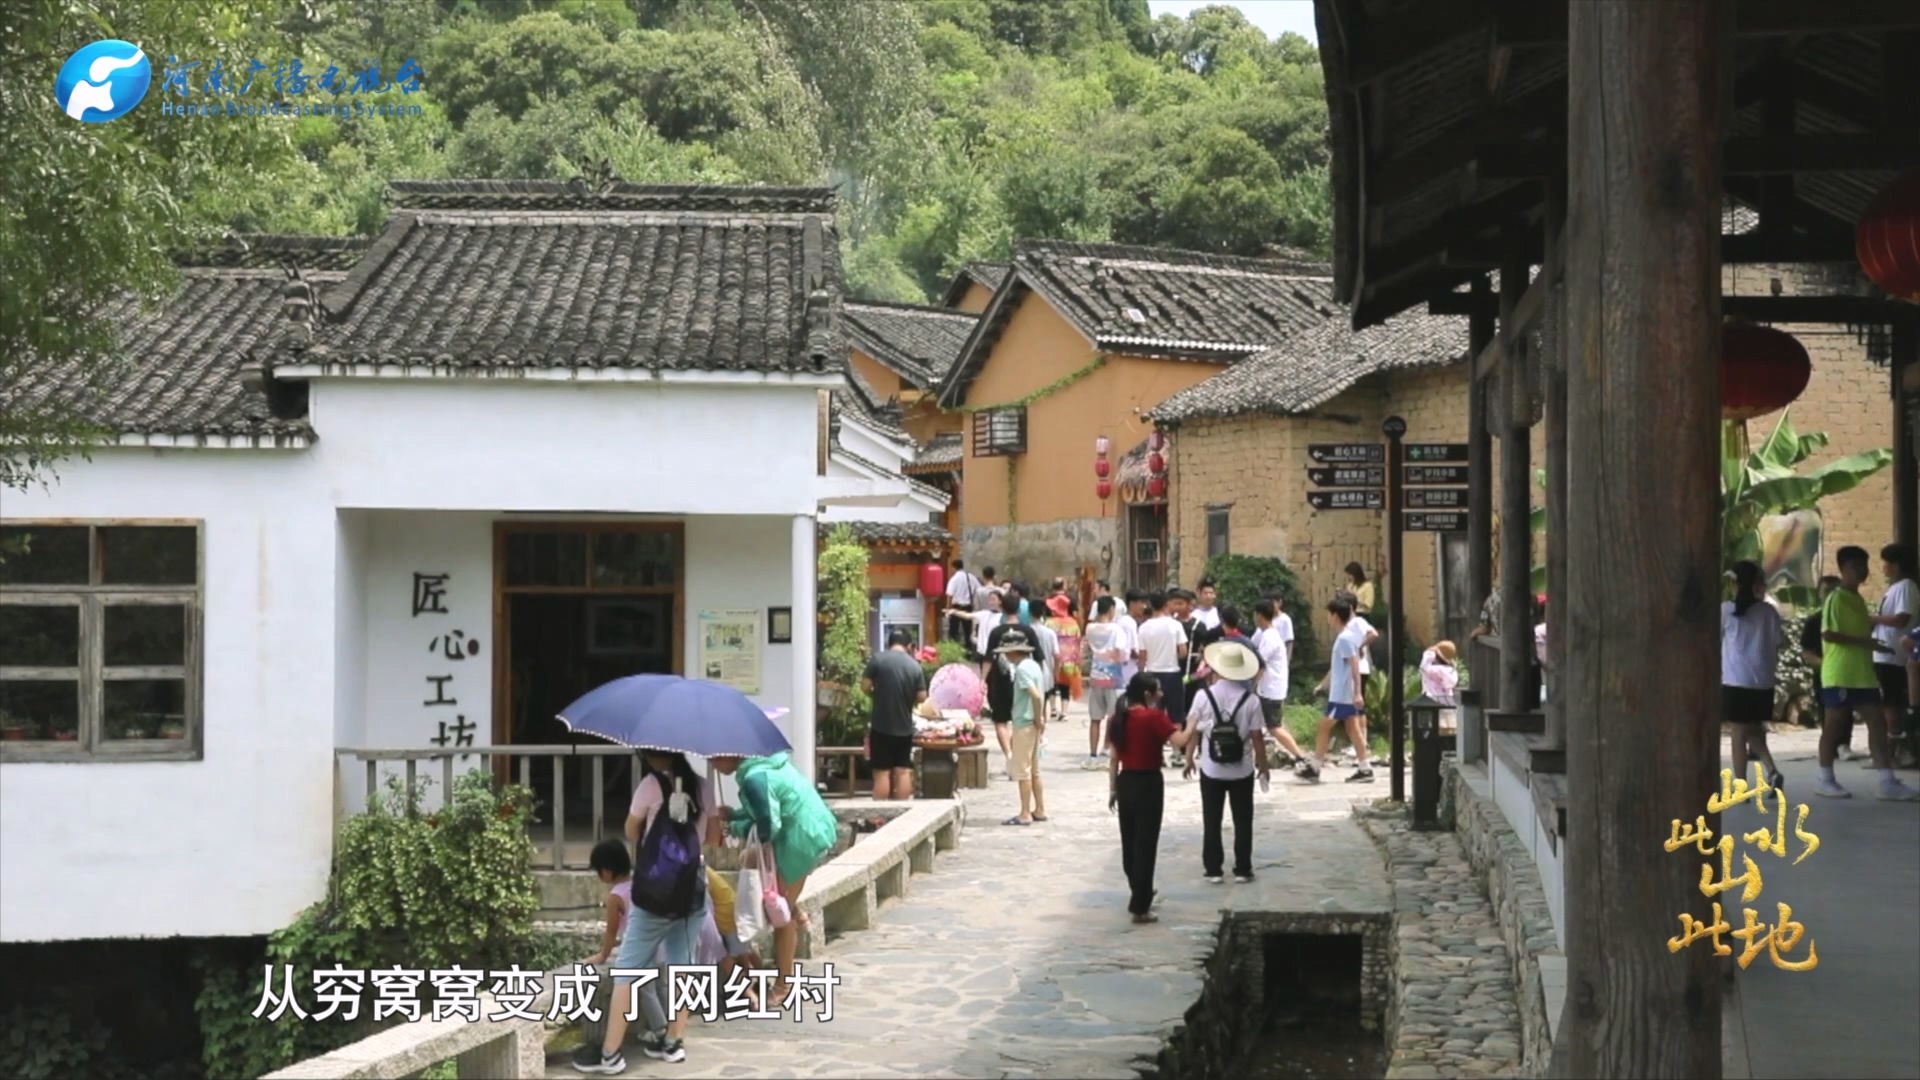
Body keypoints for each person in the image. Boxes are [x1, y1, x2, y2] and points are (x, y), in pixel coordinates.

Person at [573, 752, 719, 1072]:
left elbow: (630, 831)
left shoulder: (650, 786)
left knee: (628, 970)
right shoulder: (704, 786)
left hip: (655, 893)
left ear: (653, 754)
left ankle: (610, 1054)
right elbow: (713, 838)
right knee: (682, 967)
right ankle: (673, 1043)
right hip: (692, 890)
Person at [711, 750, 840, 1009]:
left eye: (714, 758)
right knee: (748, 861)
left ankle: (783, 986)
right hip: (811, 828)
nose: (713, 764)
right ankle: (795, 907)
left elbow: (769, 826)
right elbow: (765, 808)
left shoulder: (754, 779)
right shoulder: (762, 767)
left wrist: (735, 827)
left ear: (729, 755)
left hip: (801, 840)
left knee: (781, 916)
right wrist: (735, 815)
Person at [1816, 546, 1919, 800]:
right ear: (1843, 569)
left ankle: (1887, 781)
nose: (1862, 571)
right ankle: (1825, 779)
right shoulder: (1837, 598)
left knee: (1878, 723)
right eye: (1856, 566)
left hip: (1863, 674)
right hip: (1840, 673)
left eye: (1864, 566)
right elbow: (1829, 634)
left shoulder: (1858, 599)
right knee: (1834, 727)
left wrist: (1872, 645)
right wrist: (1866, 642)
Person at [1107, 673, 1197, 923]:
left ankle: (1139, 888)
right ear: (1147, 694)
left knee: (1129, 841)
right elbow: (1180, 741)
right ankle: (1140, 905)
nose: (1161, 694)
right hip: (1148, 783)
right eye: (1158, 690)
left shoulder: (1118, 718)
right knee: (1146, 844)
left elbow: (1114, 758)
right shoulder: (1154, 718)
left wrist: (1113, 790)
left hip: (1125, 781)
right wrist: (1192, 722)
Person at [1184, 641, 1270, 884]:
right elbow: (1257, 737)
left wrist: (1189, 758)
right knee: (1243, 820)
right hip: (1242, 769)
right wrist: (1263, 765)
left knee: (1211, 819)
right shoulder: (1251, 701)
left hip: (1211, 769)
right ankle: (1243, 868)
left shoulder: (1203, 696)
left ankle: (1213, 869)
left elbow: (1193, 731)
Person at [1722, 561, 1784, 794]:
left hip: (1737, 680)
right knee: (1753, 729)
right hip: (1764, 682)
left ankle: (1740, 786)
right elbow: (1778, 642)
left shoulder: (1726, 610)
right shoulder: (1769, 611)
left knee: (1738, 734)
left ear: (1735, 584)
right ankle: (1772, 771)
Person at [1305, 596, 1372, 784]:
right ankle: (1365, 768)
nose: (1328, 616)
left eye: (1329, 613)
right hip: (1343, 693)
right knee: (1353, 729)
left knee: (1324, 727)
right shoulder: (1346, 637)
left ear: (1335, 616)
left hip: (1342, 695)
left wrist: (1357, 693)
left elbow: (1355, 665)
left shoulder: (1344, 639)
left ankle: (1315, 767)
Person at [862, 630, 926, 800]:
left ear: (889, 643)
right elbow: (922, 696)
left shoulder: (877, 659)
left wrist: (876, 694)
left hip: (881, 726)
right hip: (904, 728)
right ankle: (903, 810)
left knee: (882, 773)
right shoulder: (914, 666)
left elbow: (865, 686)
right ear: (909, 646)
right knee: (903, 771)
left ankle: (879, 813)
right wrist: (908, 699)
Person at [1870, 544, 1918, 768]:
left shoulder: (1906, 587)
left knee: (1891, 704)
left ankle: (1892, 751)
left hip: (1892, 654)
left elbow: (1901, 619)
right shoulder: (1895, 587)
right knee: (1888, 702)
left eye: (1886, 562)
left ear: (1896, 565)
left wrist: (1874, 619)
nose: (1883, 567)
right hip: (1884, 653)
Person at [999, 635, 1050, 826]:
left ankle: (1025, 812)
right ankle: (1040, 809)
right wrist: (1041, 718)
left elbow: (1035, 696)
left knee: (1023, 771)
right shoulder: (1034, 665)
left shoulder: (1021, 669)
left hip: (1025, 722)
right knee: (1034, 770)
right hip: (1033, 723)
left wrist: (1037, 717)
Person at [1252, 599, 1309, 768]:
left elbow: (1260, 664)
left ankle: (1300, 755)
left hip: (1270, 689)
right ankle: (1258, 759)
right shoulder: (1268, 634)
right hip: (1269, 688)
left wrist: (1251, 683)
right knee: (1257, 725)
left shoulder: (1270, 637)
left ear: (1259, 616)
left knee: (1274, 727)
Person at [1800, 576, 1850, 754]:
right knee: (1826, 709)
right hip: (1824, 672)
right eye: (1826, 591)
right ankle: (1830, 746)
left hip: (1846, 669)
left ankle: (1844, 743)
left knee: (1846, 707)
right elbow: (1806, 649)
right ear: (1820, 594)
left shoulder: (1848, 618)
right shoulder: (1814, 621)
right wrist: (1822, 664)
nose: (1829, 595)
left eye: (1833, 591)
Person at [1136, 592, 1190, 730]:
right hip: (1172, 673)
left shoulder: (1143, 627)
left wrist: (1141, 673)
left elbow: (1142, 656)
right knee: (1176, 715)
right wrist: (1173, 657)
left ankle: (1155, 741)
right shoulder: (1175, 625)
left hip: (1152, 674)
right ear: (1166, 604)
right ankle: (1176, 742)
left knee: (1153, 713)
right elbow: (1183, 652)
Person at [1084, 596, 1127, 768]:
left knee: (1095, 718)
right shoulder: (1116, 630)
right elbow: (1122, 654)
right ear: (1111, 609)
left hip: (1096, 676)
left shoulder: (1090, 628)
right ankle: (1112, 754)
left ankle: (1092, 755)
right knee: (1114, 717)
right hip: (1113, 677)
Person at [1040, 595, 1078, 724]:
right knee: (1065, 687)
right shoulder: (1073, 623)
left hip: (1053, 658)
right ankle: (1064, 712)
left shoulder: (1049, 622)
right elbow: (1077, 641)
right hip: (1069, 660)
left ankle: (1053, 709)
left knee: (1051, 684)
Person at [944, 559, 981, 649]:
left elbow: (949, 595)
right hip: (968, 607)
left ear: (954, 568)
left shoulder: (954, 579)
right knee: (968, 630)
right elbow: (979, 589)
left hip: (956, 607)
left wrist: (948, 609)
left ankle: (954, 648)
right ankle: (969, 649)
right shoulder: (971, 577)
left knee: (954, 631)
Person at [1420, 640, 1460, 705]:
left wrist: (1429, 653)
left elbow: (1424, 667)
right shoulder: (1451, 670)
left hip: (1433, 700)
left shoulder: (1437, 670)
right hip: (1447, 700)